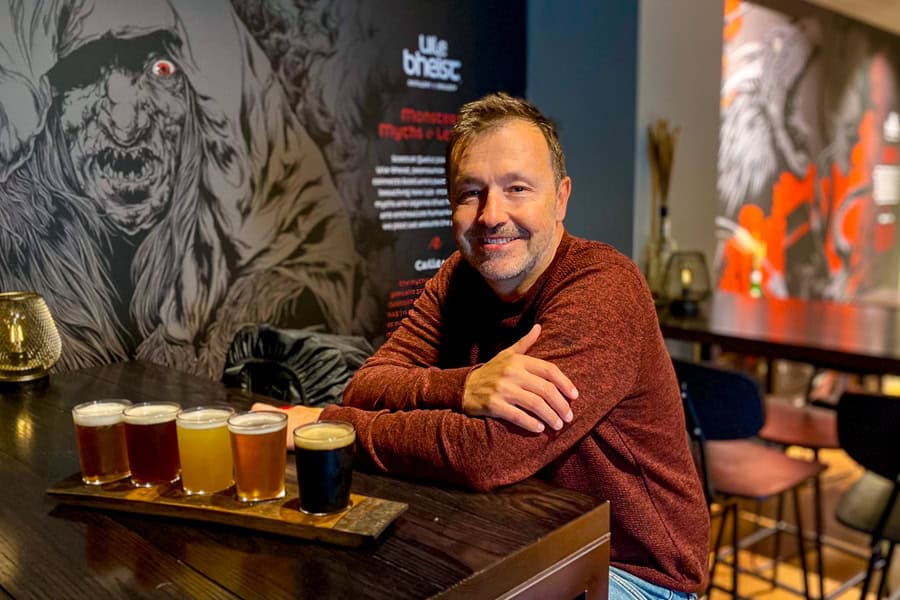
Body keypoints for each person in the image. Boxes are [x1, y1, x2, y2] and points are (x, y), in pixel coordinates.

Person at [254, 92, 710, 598]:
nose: (491, 215)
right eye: (470, 192)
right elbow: (367, 384)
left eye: (517, 188)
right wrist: (466, 387)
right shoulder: (459, 277)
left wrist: (329, 429)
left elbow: (487, 454)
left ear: (560, 198)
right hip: (513, 535)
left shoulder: (603, 288)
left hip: (632, 572)